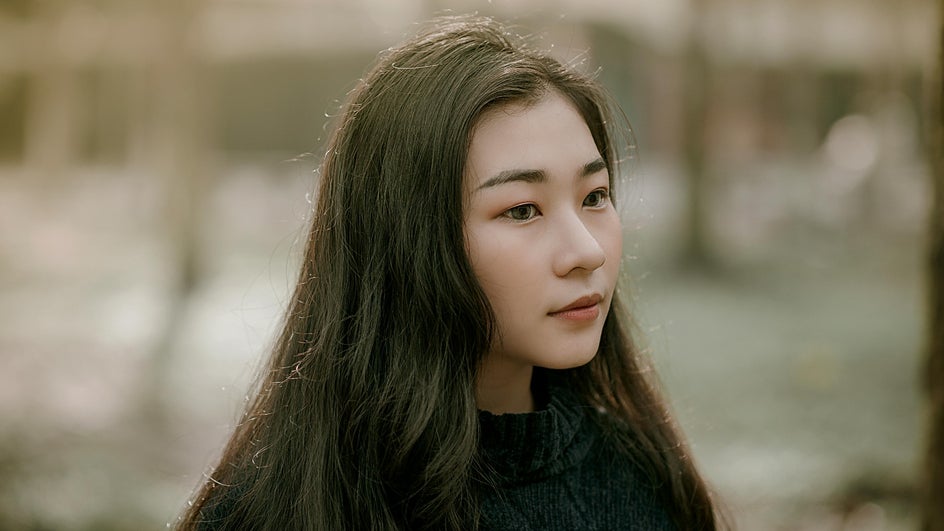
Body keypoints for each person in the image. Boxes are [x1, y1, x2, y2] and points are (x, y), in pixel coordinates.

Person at [177, 14, 721, 530]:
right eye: (522, 209)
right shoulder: (287, 508)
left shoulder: (642, 479)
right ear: (409, 238)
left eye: (595, 196)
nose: (586, 251)